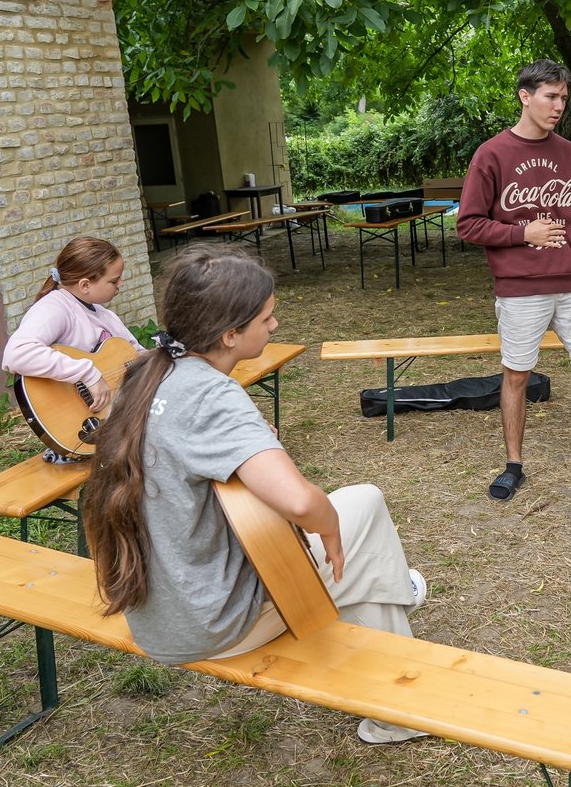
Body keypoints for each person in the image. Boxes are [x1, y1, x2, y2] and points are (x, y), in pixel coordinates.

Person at [79, 245, 428, 745]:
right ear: (229, 334)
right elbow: (300, 503)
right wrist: (328, 528)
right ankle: (401, 699)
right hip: (214, 622)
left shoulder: (142, 376)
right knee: (365, 504)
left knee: (361, 565)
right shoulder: (213, 395)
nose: (275, 324)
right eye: (266, 318)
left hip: (154, 612)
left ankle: (391, 601)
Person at [457, 59, 571, 501]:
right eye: (550, 96)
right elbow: (468, 224)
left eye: (563, 98)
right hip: (521, 289)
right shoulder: (492, 154)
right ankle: (513, 466)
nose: (559, 106)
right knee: (517, 375)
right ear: (525, 96)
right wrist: (523, 233)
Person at [2, 236, 145, 463]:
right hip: (78, 428)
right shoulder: (55, 308)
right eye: (114, 280)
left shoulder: (105, 315)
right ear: (85, 285)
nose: (121, 284)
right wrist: (87, 373)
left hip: (118, 426)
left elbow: (138, 356)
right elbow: (16, 353)